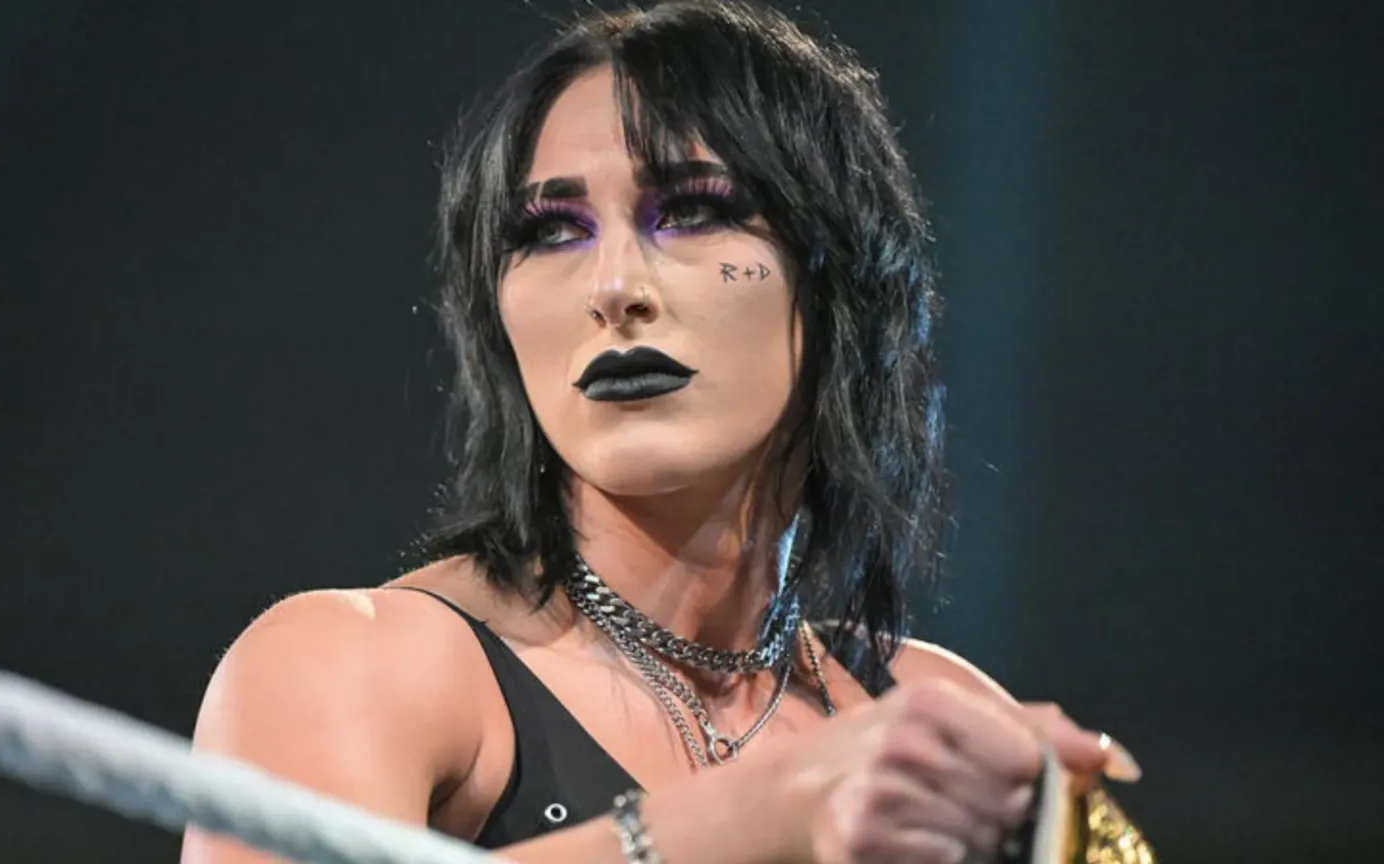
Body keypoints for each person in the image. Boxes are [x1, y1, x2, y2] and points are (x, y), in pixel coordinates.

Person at [181, 2, 1141, 862]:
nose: (613, 289)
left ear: (840, 278)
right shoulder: (354, 665)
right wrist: (758, 813)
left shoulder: (924, 715)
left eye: (691, 211)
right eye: (551, 231)